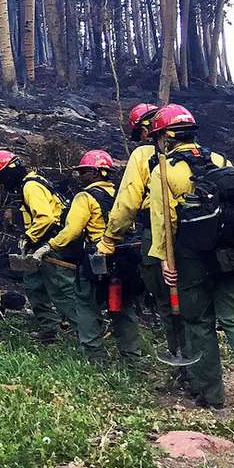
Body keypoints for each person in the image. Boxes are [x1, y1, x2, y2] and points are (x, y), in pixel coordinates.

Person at [145, 104, 234, 410]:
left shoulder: (163, 170)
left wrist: (164, 260)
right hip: (231, 253)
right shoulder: (220, 160)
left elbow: (163, 222)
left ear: (165, 137)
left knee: (198, 321)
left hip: (192, 258)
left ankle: (211, 394)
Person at [96, 103, 183, 377]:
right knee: (194, 300)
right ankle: (203, 368)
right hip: (196, 233)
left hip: (157, 231)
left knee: (167, 300)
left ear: (146, 129)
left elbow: (128, 202)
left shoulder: (143, 155)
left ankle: (182, 365)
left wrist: (110, 238)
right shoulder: (197, 153)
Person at [39, 150, 139, 364]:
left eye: (84, 171)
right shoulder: (122, 194)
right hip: (125, 259)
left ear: (95, 173)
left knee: (86, 305)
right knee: (124, 308)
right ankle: (132, 359)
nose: (80, 176)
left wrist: (49, 246)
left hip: (97, 261)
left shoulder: (85, 197)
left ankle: (95, 358)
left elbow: (72, 230)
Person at [0, 149, 78, 343]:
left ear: (9, 172)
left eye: (2, 177)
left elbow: (45, 218)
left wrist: (28, 237)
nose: (3, 182)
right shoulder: (30, 182)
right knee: (33, 285)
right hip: (39, 243)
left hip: (50, 242)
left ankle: (83, 332)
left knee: (60, 289)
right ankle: (49, 328)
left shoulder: (31, 186)